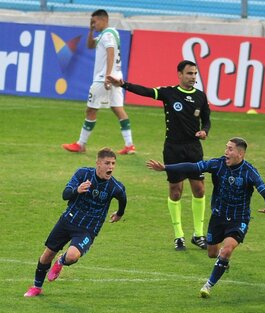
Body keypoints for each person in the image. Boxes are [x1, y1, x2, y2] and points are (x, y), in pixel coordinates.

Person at [146, 137, 265, 298]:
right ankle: (223, 261)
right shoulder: (217, 164)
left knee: (226, 250)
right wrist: (166, 167)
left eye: (230, 149)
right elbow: (192, 167)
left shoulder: (250, 171)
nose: (225, 152)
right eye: (226, 148)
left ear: (240, 154)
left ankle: (208, 285)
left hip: (239, 219)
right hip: (218, 216)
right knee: (212, 253)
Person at [107, 60, 211, 251]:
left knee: (200, 190)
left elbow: (207, 120)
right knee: (176, 192)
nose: (193, 77)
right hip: (173, 148)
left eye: (195, 74)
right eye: (189, 74)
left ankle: (198, 234)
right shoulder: (168, 93)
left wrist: (204, 131)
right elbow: (146, 91)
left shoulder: (200, 96)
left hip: (194, 149)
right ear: (179, 74)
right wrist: (123, 84)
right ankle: (179, 236)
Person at [24, 148, 127, 297]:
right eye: (107, 163)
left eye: (113, 163)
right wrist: (77, 190)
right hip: (68, 220)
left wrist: (119, 213)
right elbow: (65, 195)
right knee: (46, 255)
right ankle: (36, 287)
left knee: (72, 256)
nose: (110, 167)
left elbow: (123, 199)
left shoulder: (114, 187)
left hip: (88, 228)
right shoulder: (82, 174)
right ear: (98, 163)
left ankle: (61, 262)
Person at [62, 9, 135, 155]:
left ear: (103, 20)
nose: (93, 24)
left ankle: (81, 144)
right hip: (117, 77)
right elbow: (90, 45)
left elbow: (110, 52)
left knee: (91, 110)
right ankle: (129, 145)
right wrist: (90, 30)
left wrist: (107, 75)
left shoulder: (107, 35)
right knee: (118, 109)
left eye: (95, 22)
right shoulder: (110, 34)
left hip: (104, 78)